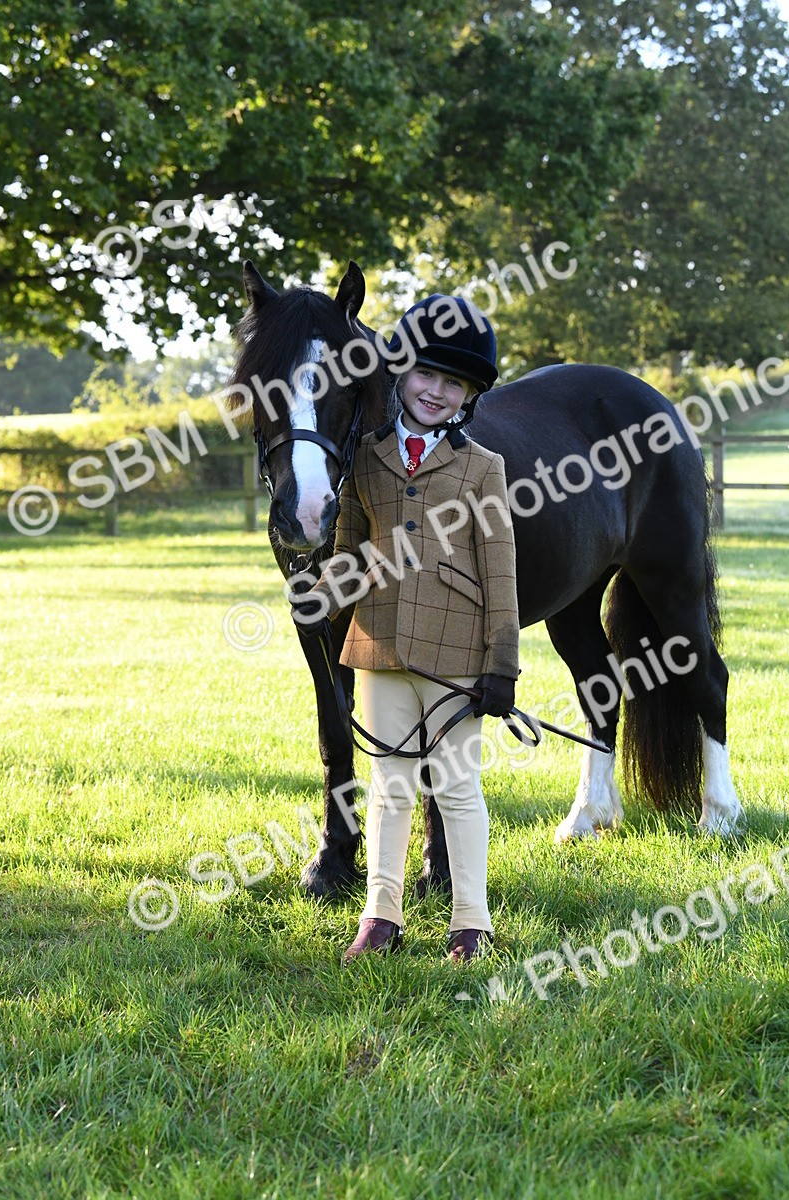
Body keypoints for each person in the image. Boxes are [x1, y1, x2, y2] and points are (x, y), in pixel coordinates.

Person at [291, 294, 520, 963]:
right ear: (401, 374)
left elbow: (500, 573)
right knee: (390, 786)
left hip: (456, 655)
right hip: (380, 644)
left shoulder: (484, 468)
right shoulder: (366, 458)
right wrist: (320, 597)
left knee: (457, 787)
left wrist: (501, 666)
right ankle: (380, 916)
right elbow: (350, 553)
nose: (436, 391)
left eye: (454, 383)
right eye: (426, 374)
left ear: (469, 396)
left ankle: (470, 922)